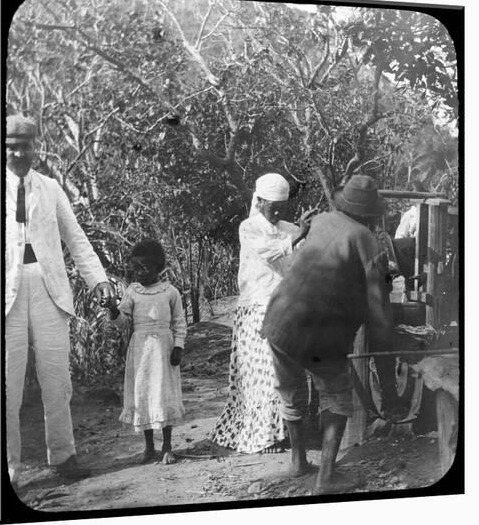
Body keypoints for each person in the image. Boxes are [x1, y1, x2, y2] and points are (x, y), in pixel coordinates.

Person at [262, 174, 398, 494]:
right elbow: (379, 315)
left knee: (291, 389)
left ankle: (297, 462)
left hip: (279, 319)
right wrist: (389, 382)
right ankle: (327, 477)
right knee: (337, 394)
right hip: (316, 331)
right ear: (370, 213)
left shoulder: (321, 220)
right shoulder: (366, 239)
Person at [5, 115, 114, 485]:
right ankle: (9, 471)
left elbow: (76, 237)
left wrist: (98, 281)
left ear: (36, 146)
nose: (19, 152)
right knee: (6, 386)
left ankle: (64, 458)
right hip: (4, 297)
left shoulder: (50, 188)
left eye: (25, 145)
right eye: (10, 145)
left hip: (50, 291)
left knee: (57, 381)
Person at [209, 173, 312, 454]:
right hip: (257, 309)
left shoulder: (292, 229)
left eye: (283, 206)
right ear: (260, 201)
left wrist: (306, 233)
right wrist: (300, 235)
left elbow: (303, 256)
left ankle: (288, 431)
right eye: (272, 206)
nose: (278, 212)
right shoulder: (249, 228)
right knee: (263, 372)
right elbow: (269, 253)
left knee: (288, 373)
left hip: (287, 308)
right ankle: (266, 435)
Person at [105, 240, 187, 464]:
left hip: (164, 349)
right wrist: (113, 309)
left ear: (158, 267)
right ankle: (149, 447)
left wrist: (178, 346)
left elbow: (179, 322)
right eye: (136, 267)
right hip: (140, 350)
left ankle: (168, 446)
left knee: (163, 394)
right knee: (144, 395)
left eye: (145, 267)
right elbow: (122, 322)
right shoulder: (133, 291)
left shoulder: (170, 292)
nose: (139, 272)